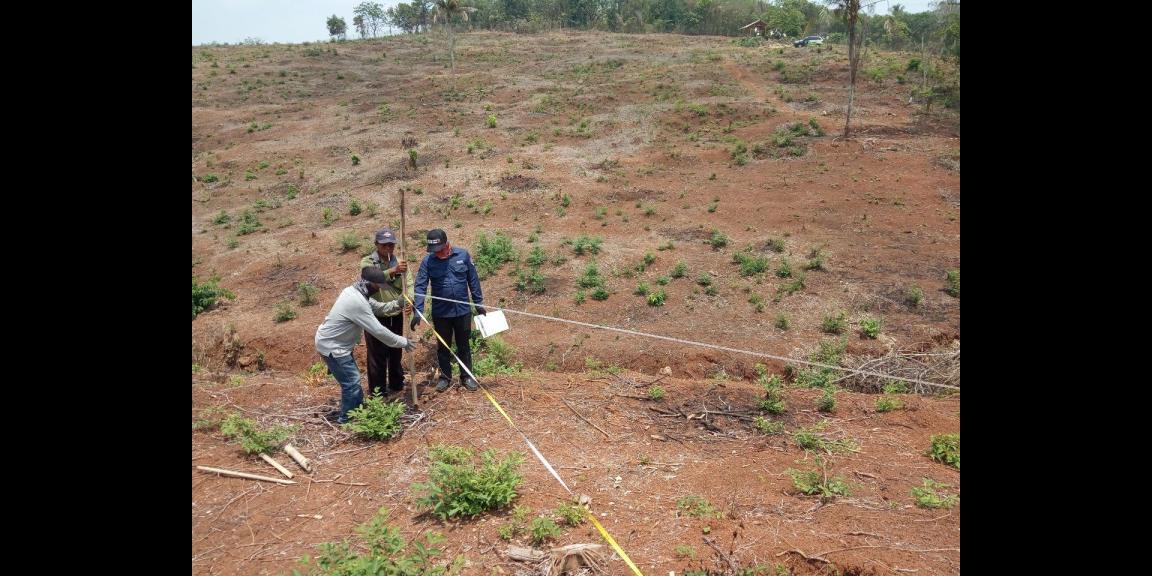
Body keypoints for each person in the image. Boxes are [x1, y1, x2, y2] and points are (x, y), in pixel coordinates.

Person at [315, 268, 417, 424]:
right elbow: (379, 331)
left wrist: (399, 303)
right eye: (378, 286)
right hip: (332, 346)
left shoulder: (356, 292)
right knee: (352, 382)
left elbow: (379, 308)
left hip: (336, 343)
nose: (379, 289)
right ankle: (347, 420)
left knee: (351, 380)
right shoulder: (356, 302)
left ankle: (355, 411)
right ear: (368, 283)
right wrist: (404, 342)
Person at [411, 228, 485, 392]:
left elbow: (473, 280)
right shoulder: (428, 262)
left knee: (463, 345)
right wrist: (418, 310)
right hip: (441, 313)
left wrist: (478, 303)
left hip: (462, 311)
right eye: (433, 251)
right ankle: (445, 377)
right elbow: (420, 286)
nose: (437, 253)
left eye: (439, 250)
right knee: (443, 347)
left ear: (447, 244)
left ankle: (467, 377)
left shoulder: (463, 256)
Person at [359, 227, 413, 399]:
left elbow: (409, 284)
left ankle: (397, 383)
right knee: (376, 355)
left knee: (396, 349)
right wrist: (393, 271)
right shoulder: (368, 262)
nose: (388, 248)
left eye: (391, 245)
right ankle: (378, 391)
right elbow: (372, 278)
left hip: (395, 315)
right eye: (384, 245)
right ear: (376, 245)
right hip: (374, 315)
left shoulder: (400, 262)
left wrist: (409, 301)